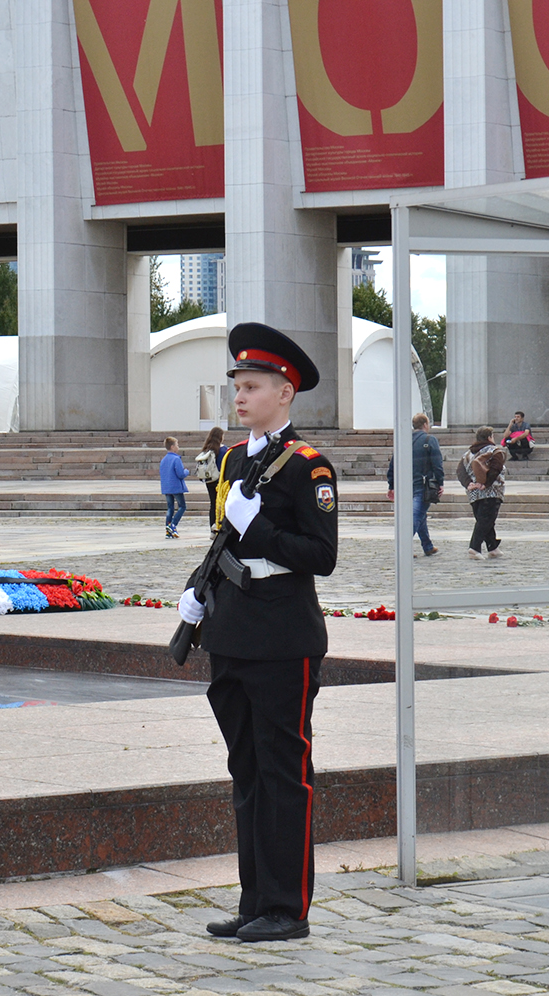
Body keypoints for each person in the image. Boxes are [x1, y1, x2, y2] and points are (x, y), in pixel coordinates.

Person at [177, 322, 337, 943]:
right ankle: (254, 901)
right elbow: (224, 540)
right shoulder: (235, 459)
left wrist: (261, 529)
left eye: (252, 386)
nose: (240, 397)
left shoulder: (307, 466)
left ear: (285, 393)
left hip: (282, 637)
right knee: (245, 769)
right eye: (237, 386)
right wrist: (198, 590)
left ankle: (287, 907)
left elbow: (319, 555)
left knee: (283, 771)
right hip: (232, 630)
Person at [386, 413, 444, 556]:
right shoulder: (430, 440)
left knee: (420, 515)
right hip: (423, 486)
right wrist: (440, 482)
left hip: (404, 485)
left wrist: (391, 485)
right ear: (425, 424)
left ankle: (427, 546)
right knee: (416, 516)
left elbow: (393, 464)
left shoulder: (404, 440)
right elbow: (437, 463)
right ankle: (403, 548)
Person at [460, 425, 506, 559]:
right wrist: (485, 483)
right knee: (486, 520)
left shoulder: (467, 454)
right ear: (489, 437)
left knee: (484, 519)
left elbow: (460, 471)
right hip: (492, 492)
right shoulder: (494, 451)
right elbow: (495, 468)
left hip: (473, 493)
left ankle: (493, 547)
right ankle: (474, 548)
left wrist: (469, 483)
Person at [192, 426, 231, 532]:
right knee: (222, 502)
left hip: (209, 479)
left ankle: (212, 527)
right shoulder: (223, 449)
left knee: (213, 503)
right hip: (220, 479)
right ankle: (221, 526)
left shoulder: (206, 449)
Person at [159, 436, 189, 538]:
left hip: (167, 487)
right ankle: (173, 524)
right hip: (176, 487)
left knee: (170, 508)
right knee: (182, 506)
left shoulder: (163, 460)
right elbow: (180, 474)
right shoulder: (176, 459)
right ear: (172, 447)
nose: (178, 447)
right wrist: (186, 471)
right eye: (177, 445)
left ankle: (168, 530)